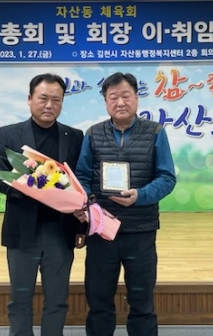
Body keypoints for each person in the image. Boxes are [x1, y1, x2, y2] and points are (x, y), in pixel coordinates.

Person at [75, 72, 177, 336]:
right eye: (113, 97)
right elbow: (82, 176)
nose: (120, 102)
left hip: (140, 231)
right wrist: (87, 206)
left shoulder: (155, 132)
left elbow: (167, 178)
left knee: (142, 302)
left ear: (136, 98)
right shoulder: (93, 134)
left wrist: (140, 196)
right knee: (98, 300)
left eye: (125, 95)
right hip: (101, 231)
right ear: (106, 101)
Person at [0, 73, 84, 336]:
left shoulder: (75, 136)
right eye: (43, 98)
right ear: (30, 99)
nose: (49, 105)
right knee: (19, 299)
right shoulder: (9, 134)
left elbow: (81, 183)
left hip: (60, 231)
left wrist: (82, 228)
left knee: (57, 299)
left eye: (56, 99)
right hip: (22, 231)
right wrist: (27, 189)